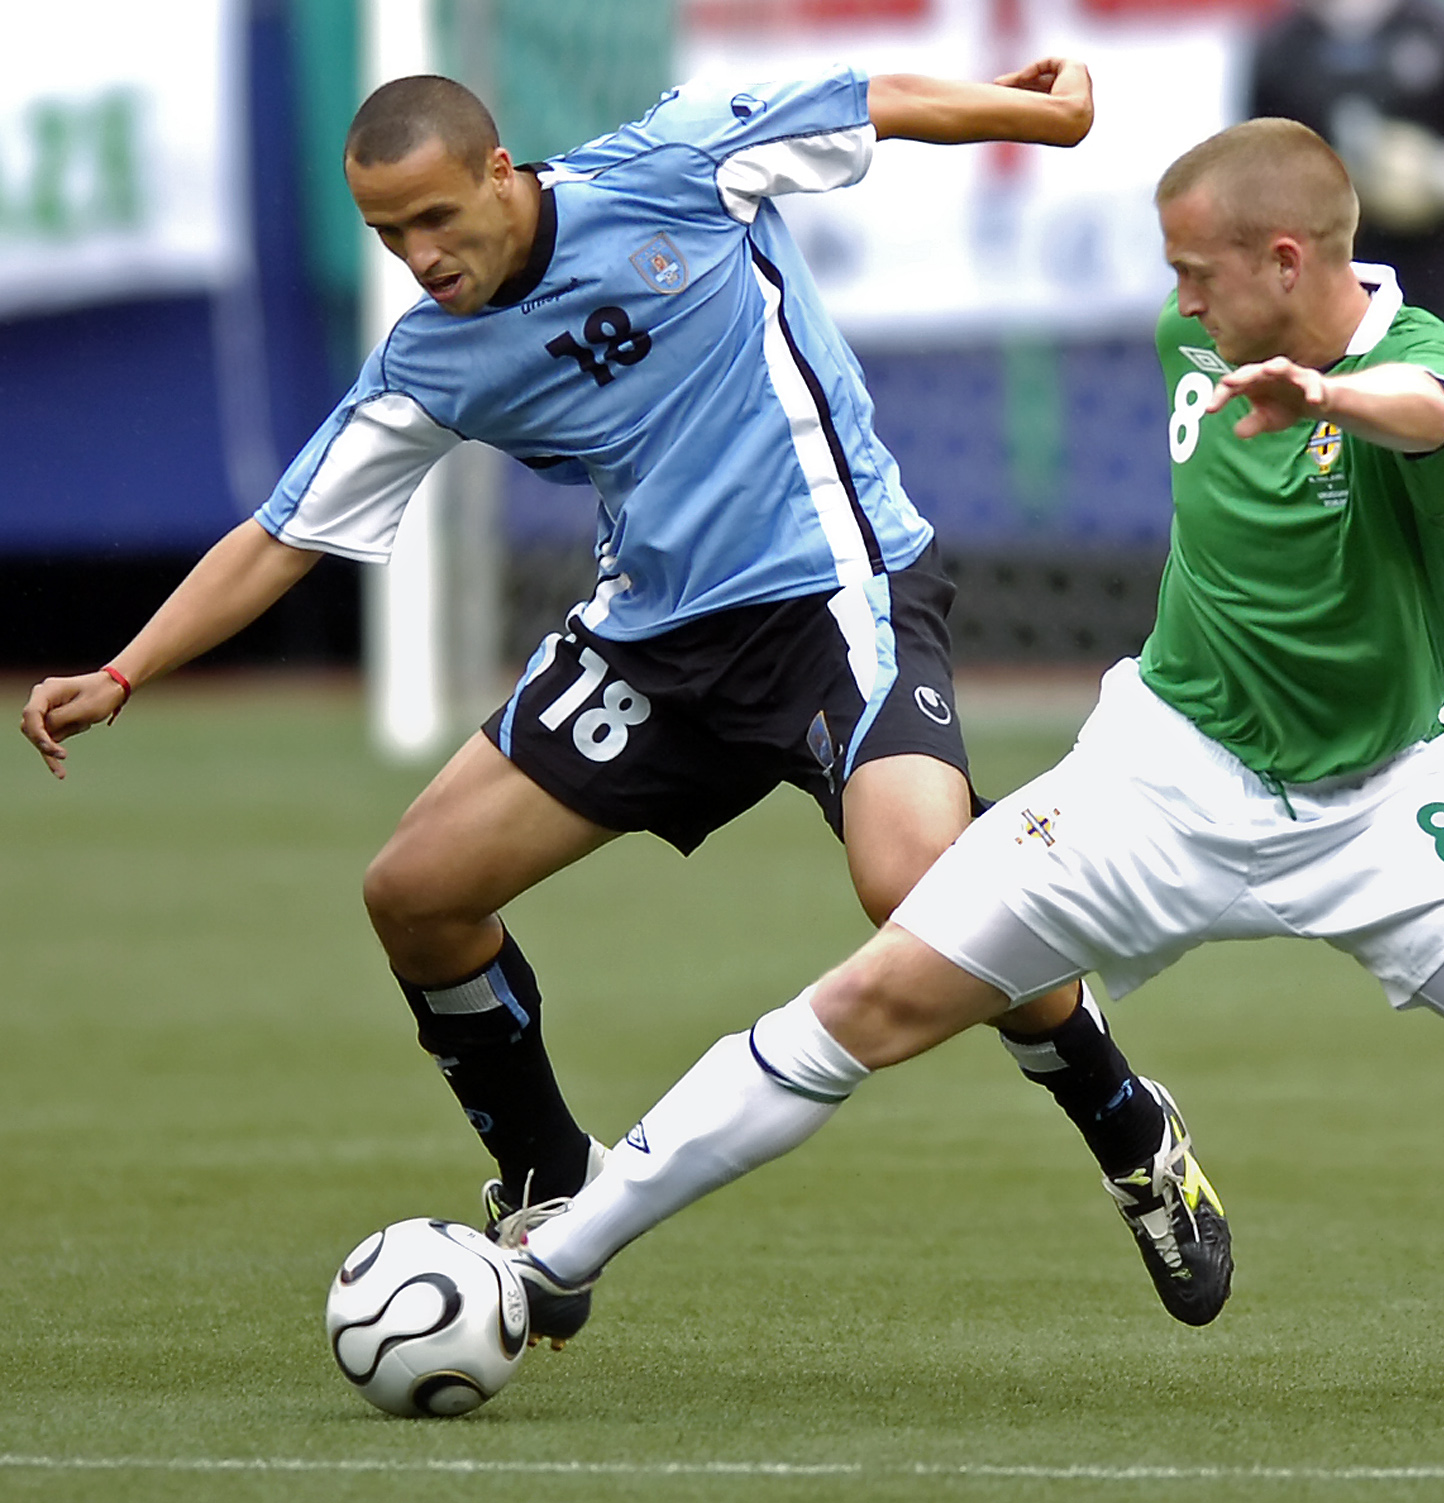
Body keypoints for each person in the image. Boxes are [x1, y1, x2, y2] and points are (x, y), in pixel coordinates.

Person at [490, 118, 1444, 1416]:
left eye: (1198, 271)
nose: (1175, 301)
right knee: (873, 995)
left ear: (1285, 259)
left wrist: (1327, 398)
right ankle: (553, 1259)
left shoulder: (1435, 369)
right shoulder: (1193, 336)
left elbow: (1430, 412)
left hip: (1380, 807)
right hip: (1161, 778)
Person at [17, 61, 1231, 1340]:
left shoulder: (669, 167)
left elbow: (864, 101)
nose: (420, 256)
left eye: (437, 218)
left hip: (832, 589)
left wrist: (1037, 114)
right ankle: (551, 1183)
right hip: (654, 643)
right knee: (417, 894)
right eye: (388, 235)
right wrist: (125, 668)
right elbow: (282, 533)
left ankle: (1125, 1123)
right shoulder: (435, 356)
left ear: (500, 172)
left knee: (920, 891)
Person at [1247, 0, 1444, 330]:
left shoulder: (1441, 33)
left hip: (1430, 287)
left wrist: (1440, 173)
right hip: (1321, 301)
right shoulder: (1281, 49)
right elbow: (1253, 171)